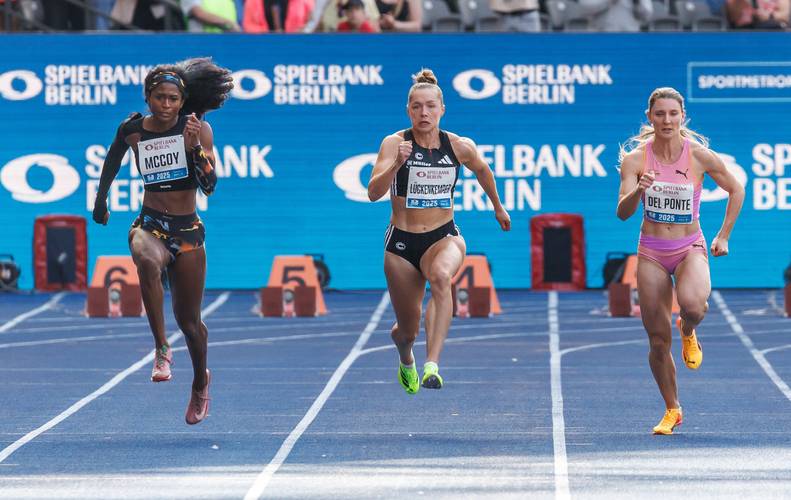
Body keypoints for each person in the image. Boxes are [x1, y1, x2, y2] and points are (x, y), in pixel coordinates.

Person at [92, 58, 233, 425]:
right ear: (148, 97)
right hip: (150, 223)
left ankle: (201, 381)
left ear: (182, 100)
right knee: (146, 258)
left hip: (187, 231)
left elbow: (211, 186)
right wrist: (101, 199)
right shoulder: (133, 130)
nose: (166, 105)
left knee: (191, 324)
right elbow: (112, 160)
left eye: (173, 98)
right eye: (159, 97)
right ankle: (161, 347)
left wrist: (193, 149)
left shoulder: (197, 130)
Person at [367, 69, 511, 394]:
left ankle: (433, 364)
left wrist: (498, 207)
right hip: (402, 245)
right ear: (408, 110)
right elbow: (373, 193)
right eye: (416, 107)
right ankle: (406, 355)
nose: (424, 113)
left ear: (442, 109)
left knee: (442, 277)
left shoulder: (458, 146)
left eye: (430, 106)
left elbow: (483, 171)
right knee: (407, 329)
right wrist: (395, 166)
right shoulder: (394, 143)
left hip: (443, 236)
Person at [616, 87, 744, 435]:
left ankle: (688, 329)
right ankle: (672, 409)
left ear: (682, 117)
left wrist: (724, 235)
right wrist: (639, 190)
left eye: (673, 114)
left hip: (689, 247)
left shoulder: (699, 156)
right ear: (650, 118)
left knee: (694, 306)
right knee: (657, 339)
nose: (667, 120)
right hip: (652, 252)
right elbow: (622, 213)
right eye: (660, 114)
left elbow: (737, 189)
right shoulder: (636, 160)